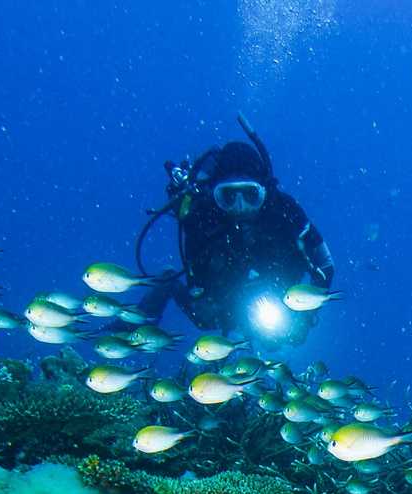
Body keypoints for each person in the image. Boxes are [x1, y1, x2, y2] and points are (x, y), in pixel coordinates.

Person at [136, 115, 334, 345]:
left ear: (264, 192)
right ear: (215, 194)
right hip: (224, 299)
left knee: (288, 339)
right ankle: (130, 332)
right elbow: (196, 281)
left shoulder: (285, 211)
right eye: (228, 196)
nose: (240, 207)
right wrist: (202, 298)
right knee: (205, 322)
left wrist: (307, 315)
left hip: (283, 296)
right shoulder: (203, 216)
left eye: (250, 195)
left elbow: (326, 264)